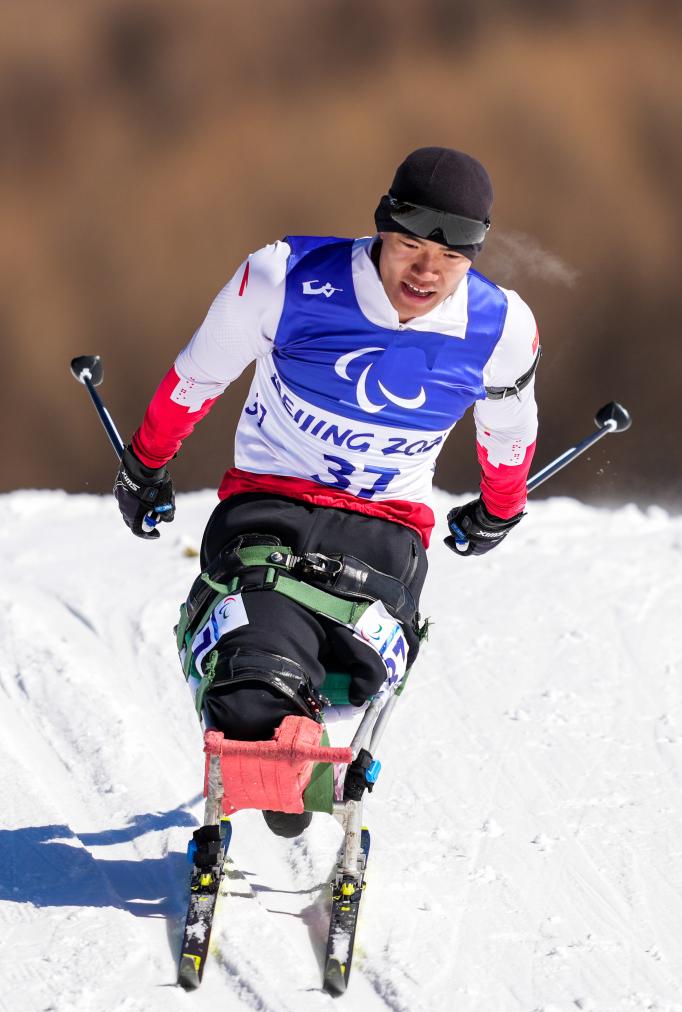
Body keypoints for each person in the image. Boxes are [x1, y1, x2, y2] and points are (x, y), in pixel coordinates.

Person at [114, 147, 539, 835]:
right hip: (266, 512)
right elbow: (198, 375)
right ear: (381, 228)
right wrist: (146, 461)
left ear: (475, 253)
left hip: (383, 533)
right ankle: (282, 738)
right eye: (408, 245)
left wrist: (498, 509)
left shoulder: (499, 326)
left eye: (450, 258)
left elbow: (510, 433)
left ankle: (290, 742)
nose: (426, 272)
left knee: (358, 672)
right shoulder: (284, 277)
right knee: (249, 673)